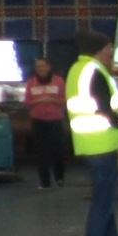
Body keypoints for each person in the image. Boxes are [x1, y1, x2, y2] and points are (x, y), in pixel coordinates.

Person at [66, 34, 118, 236]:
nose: (112, 51)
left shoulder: (78, 69)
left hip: (91, 141)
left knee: (104, 196)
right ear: (98, 49)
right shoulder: (93, 71)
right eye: (109, 47)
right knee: (103, 199)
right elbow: (106, 107)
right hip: (101, 141)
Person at [23, 57, 71, 189]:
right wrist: (37, 102)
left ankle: (59, 176)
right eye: (38, 66)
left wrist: (51, 100)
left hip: (55, 121)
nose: (40, 69)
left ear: (49, 67)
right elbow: (27, 102)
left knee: (57, 150)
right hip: (38, 121)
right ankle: (44, 182)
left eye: (42, 66)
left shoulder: (59, 81)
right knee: (41, 152)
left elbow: (65, 100)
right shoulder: (31, 82)